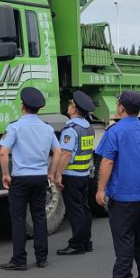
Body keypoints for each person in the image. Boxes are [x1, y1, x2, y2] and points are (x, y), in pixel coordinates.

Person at [95, 90, 140, 278]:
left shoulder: (114, 131)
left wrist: (100, 189)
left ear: (121, 107)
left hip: (122, 195)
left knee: (124, 237)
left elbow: (107, 161)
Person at [0, 87, 60, 271]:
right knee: (39, 217)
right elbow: (58, 151)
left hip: (21, 178)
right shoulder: (47, 128)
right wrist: (51, 172)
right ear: (39, 109)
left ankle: (19, 259)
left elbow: (3, 151)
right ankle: (42, 258)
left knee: (18, 218)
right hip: (40, 177)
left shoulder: (15, 127)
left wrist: (5, 174)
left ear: (22, 106)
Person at [52, 90, 97, 255]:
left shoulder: (71, 129)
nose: (68, 107)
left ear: (74, 110)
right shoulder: (88, 127)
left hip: (72, 176)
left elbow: (66, 154)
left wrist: (57, 174)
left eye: (70, 105)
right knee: (84, 208)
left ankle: (77, 244)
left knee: (75, 210)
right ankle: (86, 241)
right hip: (84, 173)